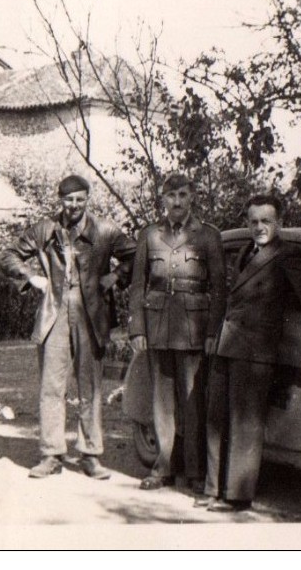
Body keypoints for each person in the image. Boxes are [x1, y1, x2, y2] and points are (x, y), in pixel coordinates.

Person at [198, 194, 301, 512]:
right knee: (216, 417)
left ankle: (236, 495)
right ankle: (212, 488)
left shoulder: (286, 255)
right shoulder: (246, 251)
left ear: (279, 223)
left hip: (255, 351)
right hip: (227, 344)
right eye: (253, 221)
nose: (259, 227)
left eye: (266, 221)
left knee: (245, 424)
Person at [1, 174, 134, 480]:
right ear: (59, 199)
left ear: (88, 199)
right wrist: (31, 277)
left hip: (92, 314)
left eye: (79, 199)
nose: (74, 206)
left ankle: (90, 455)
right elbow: (9, 255)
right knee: (51, 387)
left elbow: (137, 254)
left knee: (90, 387)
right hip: (55, 313)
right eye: (68, 199)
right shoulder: (44, 229)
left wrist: (114, 277)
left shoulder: (105, 230)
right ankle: (51, 454)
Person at [128, 172, 227, 491]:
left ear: (193, 196)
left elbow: (219, 289)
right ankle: (163, 468)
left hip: (193, 328)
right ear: (163, 198)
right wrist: (137, 327)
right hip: (157, 325)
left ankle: (195, 472)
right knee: (161, 400)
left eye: (183, 195)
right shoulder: (149, 235)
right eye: (171, 196)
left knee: (192, 399)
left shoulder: (209, 236)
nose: (177, 202)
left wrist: (213, 331)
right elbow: (137, 285)